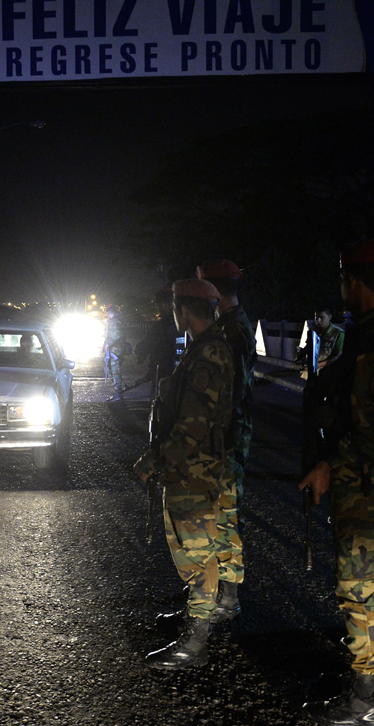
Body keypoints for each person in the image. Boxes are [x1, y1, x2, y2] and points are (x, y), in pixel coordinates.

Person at [299, 240, 374, 726]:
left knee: (360, 592)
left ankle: (363, 699)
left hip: (369, 490)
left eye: (344, 278)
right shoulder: (370, 335)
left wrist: (331, 461)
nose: (340, 287)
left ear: (356, 282)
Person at [133, 278, 235, 670]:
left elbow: (193, 424)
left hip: (193, 471)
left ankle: (195, 642)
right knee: (195, 551)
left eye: (174, 307)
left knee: (198, 555)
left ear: (185, 310)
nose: (171, 314)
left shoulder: (208, 353)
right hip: (193, 469)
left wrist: (152, 461)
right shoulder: (203, 349)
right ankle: (196, 621)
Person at [195, 259, 256, 623]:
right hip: (228, 432)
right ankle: (221, 590)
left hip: (228, 435)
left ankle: (229, 595)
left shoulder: (232, 332)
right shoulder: (231, 325)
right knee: (221, 512)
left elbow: (228, 393)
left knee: (226, 513)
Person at [133, 287, 179, 385]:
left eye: (158, 305)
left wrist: (140, 354)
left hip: (163, 374)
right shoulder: (185, 321)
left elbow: (145, 345)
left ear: (164, 304)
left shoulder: (162, 325)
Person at [103, 305, 126, 401]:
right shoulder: (114, 321)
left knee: (115, 371)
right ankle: (118, 390)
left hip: (115, 351)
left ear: (110, 312)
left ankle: (118, 393)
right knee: (112, 371)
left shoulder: (115, 322)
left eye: (108, 313)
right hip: (114, 351)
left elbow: (116, 335)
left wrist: (108, 344)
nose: (107, 315)